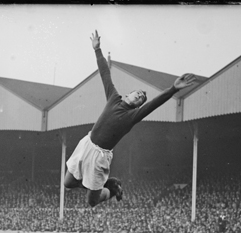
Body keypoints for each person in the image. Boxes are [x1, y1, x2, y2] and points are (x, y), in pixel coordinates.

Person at [64, 30, 197, 207]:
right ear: (128, 94)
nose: (140, 96)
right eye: (139, 93)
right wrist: (97, 49)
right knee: (68, 183)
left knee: (91, 202)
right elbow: (105, 74)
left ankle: (111, 190)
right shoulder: (113, 98)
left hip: (99, 157)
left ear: (138, 105)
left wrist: (173, 89)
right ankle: (105, 183)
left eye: (142, 98)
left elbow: (154, 104)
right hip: (87, 143)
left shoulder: (132, 116)